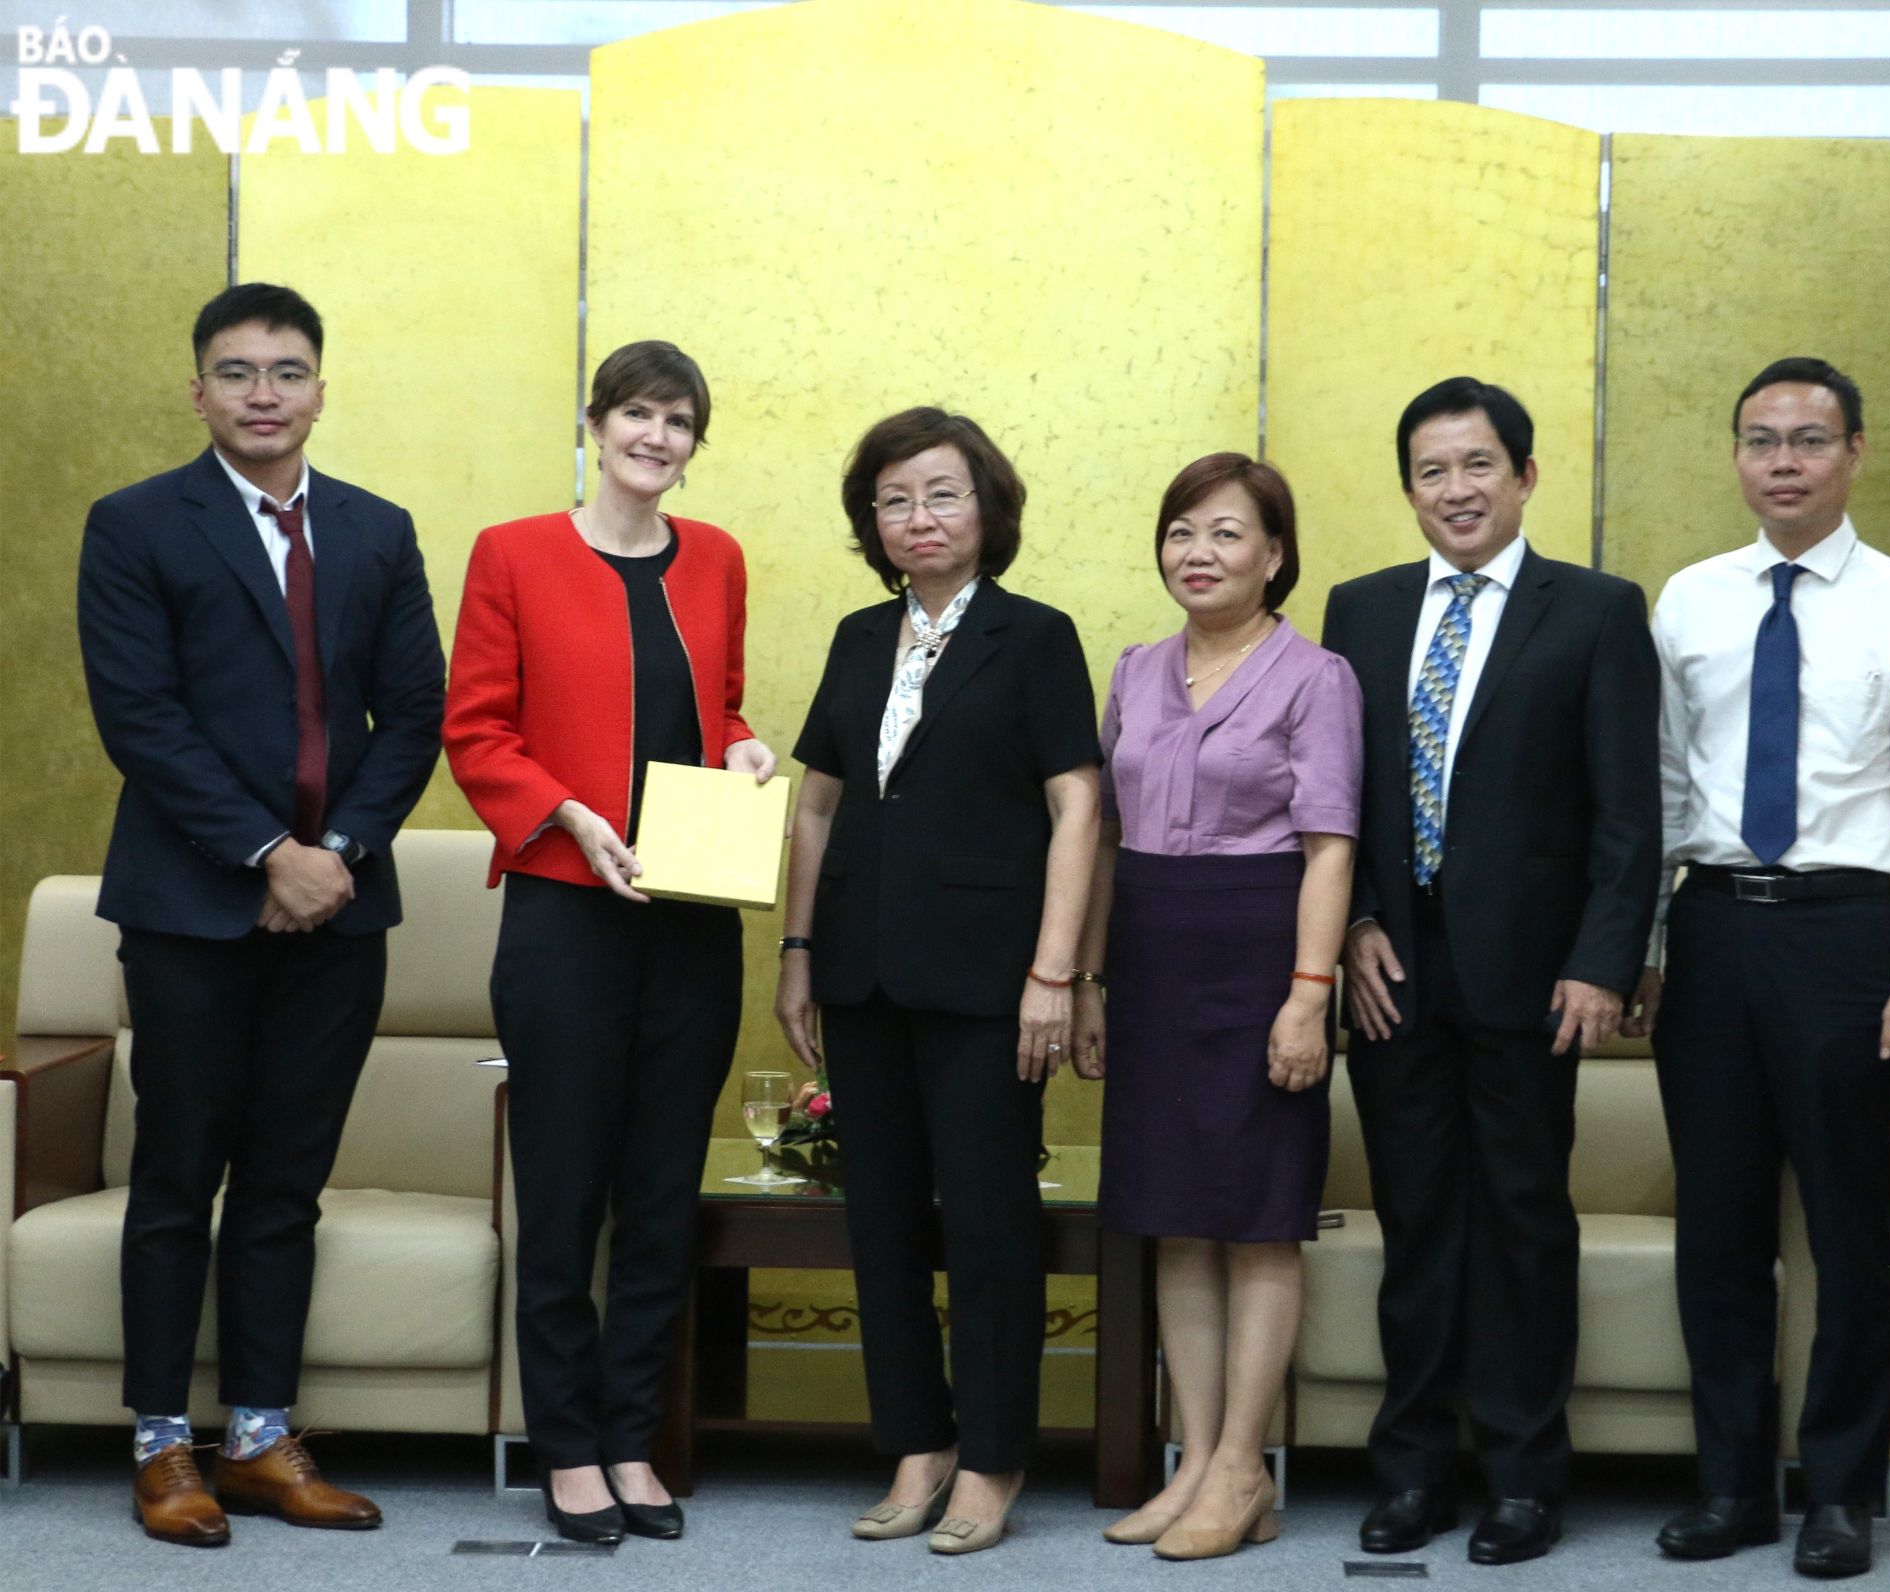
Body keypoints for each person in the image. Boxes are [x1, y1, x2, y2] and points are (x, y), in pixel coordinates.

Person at [76, 282, 445, 1545]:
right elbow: (141, 720)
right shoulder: (133, 525)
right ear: (199, 390)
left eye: (287, 371)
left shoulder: (379, 530)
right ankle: (161, 1444)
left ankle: (258, 1435)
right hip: (189, 908)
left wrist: (332, 852)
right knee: (178, 1175)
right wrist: (263, 852)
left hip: (339, 908)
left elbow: (416, 716)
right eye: (236, 372)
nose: (263, 394)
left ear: (321, 389)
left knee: (287, 1183)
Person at [1634, 357, 1890, 1580]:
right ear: (1734, 455)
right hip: (1714, 923)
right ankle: (1730, 1487)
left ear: (1852, 452)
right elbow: (1665, 789)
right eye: (1759, 438)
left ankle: (1839, 1492)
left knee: (1847, 1222)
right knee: (1718, 1225)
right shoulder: (1686, 600)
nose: (1781, 459)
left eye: (1807, 439)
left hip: (1847, 933)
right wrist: (1654, 945)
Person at [1320, 377, 1661, 1566]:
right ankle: (1410, 1471)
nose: (1453, 489)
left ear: (1522, 475)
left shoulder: (1596, 610)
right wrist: (1351, 920)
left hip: (1533, 974)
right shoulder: (1356, 610)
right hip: (1389, 967)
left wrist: (1600, 962)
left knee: (1521, 1217)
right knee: (1416, 1218)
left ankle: (1522, 1474)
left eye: (1476, 466)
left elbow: (1629, 811)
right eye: (1430, 470)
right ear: (1407, 487)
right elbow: (1334, 795)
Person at [443, 340, 777, 1545]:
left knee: (657, 1196)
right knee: (566, 1185)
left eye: (678, 419)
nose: (656, 435)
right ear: (594, 424)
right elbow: (474, 729)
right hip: (563, 908)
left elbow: (722, 702)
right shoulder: (513, 553)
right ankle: (567, 1444)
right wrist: (567, 814)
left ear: (695, 440)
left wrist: (743, 746)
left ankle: (633, 1438)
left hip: (690, 913)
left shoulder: (719, 558)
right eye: (636, 412)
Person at [773, 407, 1099, 1556]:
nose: (919, 516)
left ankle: (995, 1453)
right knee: (881, 1221)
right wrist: (797, 949)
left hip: (985, 979)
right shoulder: (860, 637)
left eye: (941, 493)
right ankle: (916, 1439)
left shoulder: (1036, 634)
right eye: (896, 498)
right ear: (874, 520)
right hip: (858, 968)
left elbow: (1078, 807)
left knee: (991, 1219)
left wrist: (1054, 971)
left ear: (986, 507)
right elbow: (816, 802)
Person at [1071, 453, 1361, 1561]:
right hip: (1147, 949)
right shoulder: (1134, 669)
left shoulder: (1314, 675)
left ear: (1275, 554)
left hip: (1257, 947)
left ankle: (1243, 1464)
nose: (1198, 552)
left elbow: (1330, 847)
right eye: (1180, 530)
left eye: (1227, 533)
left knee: (1256, 1216)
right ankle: (1194, 1459)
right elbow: (1099, 838)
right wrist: (1091, 979)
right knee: (1171, 1216)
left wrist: (1306, 997)